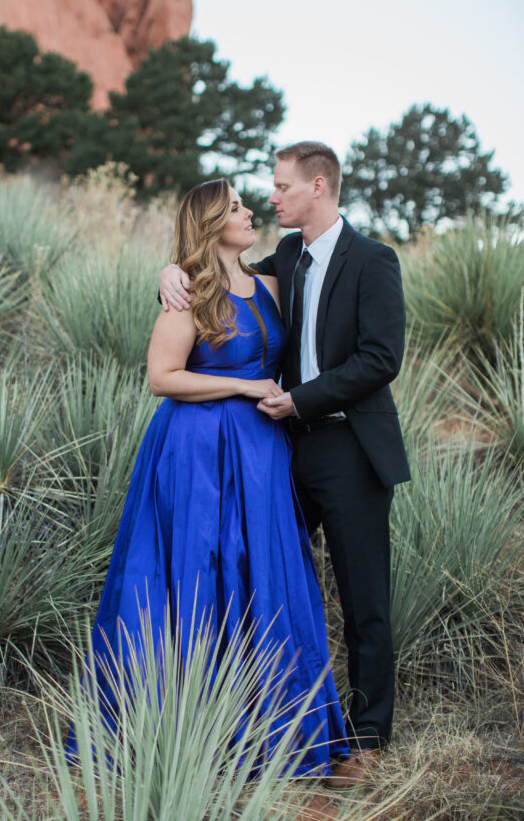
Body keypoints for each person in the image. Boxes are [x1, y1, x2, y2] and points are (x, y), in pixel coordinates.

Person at [66, 178, 348, 776]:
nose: (251, 213)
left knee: (260, 571)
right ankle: (177, 728)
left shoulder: (269, 280)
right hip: (195, 451)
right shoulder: (189, 291)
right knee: (195, 570)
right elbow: (162, 377)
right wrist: (245, 384)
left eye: (248, 205)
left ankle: (269, 728)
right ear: (213, 220)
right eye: (239, 207)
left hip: (260, 453)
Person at [159, 143, 410, 789]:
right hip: (278, 449)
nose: (270, 198)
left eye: (280, 187)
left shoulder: (373, 261)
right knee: (261, 578)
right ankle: (252, 717)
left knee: (363, 599)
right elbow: (216, 274)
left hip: (348, 447)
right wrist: (167, 270)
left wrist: (298, 397)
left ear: (317, 186)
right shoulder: (284, 261)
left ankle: (367, 741)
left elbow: (380, 359)